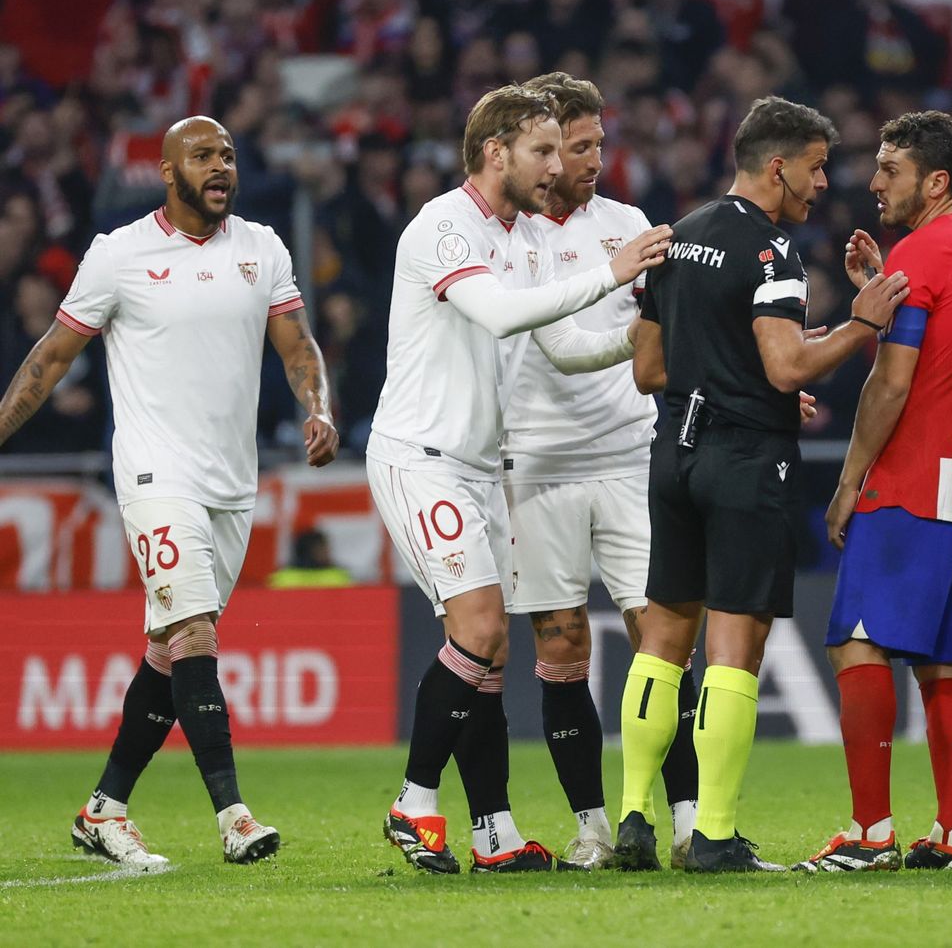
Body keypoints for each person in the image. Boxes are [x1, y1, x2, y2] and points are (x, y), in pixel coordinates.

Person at [0, 116, 339, 868]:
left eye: (228, 156)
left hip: (230, 482)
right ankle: (235, 816)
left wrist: (319, 408)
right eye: (204, 156)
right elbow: (51, 359)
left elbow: (297, 344)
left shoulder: (263, 248)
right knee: (194, 634)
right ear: (166, 170)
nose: (221, 167)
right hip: (155, 473)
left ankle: (104, 810)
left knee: (167, 647)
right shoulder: (120, 255)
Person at [367, 84, 669, 875]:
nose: (558, 165)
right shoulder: (443, 225)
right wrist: (612, 273)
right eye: (543, 150)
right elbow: (500, 316)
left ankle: (492, 835)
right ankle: (413, 801)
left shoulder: (519, 238)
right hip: (420, 454)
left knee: (489, 651)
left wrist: (654, 334)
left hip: (479, 464)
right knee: (479, 629)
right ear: (496, 150)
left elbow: (565, 347)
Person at [615, 96, 909, 873]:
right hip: (745, 463)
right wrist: (861, 322)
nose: (822, 183)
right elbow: (784, 365)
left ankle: (634, 820)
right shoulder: (775, 252)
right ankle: (712, 835)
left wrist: (744, 380)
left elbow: (650, 367)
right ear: (776, 166)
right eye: (815, 167)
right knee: (734, 649)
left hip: (673, 453)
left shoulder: (679, 237)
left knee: (661, 642)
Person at [795, 111, 952, 874]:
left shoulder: (922, 256)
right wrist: (882, 285)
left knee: (857, 643)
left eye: (890, 169)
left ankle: (868, 834)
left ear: (936, 181)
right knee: (941, 662)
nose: (873, 181)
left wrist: (850, 480)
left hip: (912, 480)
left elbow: (893, 384)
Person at [499, 71, 700, 869]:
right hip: (538, 460)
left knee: (662, 638)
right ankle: (591, 826)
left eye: (594, 144)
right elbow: (565, 347)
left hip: (626, 455)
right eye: (573, 147)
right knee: (560, 644)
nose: (589, 159)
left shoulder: (631, 225)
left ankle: (680, 819)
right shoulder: (508, 238)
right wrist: (633, 334)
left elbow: (678, 333)